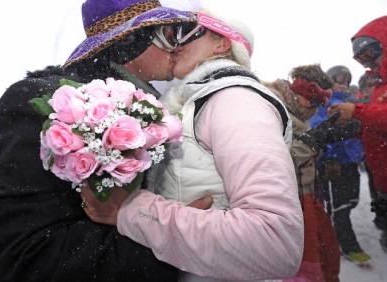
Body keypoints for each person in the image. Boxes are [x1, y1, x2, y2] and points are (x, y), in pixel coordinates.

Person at [0, 1, 213, 281]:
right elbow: (26, 255)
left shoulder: (165, 107)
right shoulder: (47, 101)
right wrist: (172, 242)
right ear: (131, 38)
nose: (180, 44)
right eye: (170, 32)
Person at [82, 9, 304, 282]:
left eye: (183, 32)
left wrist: (130, 212)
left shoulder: (236, 101)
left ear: (221, 43)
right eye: (168, 33)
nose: (173, 43)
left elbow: (275, 244)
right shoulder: (196, 102)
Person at [264, 64, 346, 282]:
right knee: (300, 259)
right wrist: (309, 144)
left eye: (320, 104)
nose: (314, 109)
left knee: (320, 249)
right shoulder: (273, 108)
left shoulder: (296, 113)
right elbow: (268, 162)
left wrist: (322, 150)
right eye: (313, 101)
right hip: (286, 199)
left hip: (306, 195)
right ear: (299, 91)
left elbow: (302, 153)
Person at [329, 15, 387, 256]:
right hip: (386, 183)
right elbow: (377, 125)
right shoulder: (382, 85)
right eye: (360, 59)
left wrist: (358, 112)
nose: (366, 64)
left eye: (370, 54)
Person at [309, 65, 370, 265]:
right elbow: (320, 131)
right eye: (339, 80)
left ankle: (335, 236)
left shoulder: (349, 104)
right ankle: (345, 245)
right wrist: (329, 157)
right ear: (330, 80)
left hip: (351, 163)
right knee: (339, 208)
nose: (343, 84)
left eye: (346, 80)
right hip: (335, 167)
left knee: (350, 202)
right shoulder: (324, 104)